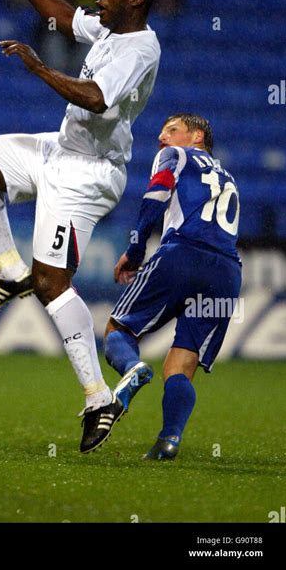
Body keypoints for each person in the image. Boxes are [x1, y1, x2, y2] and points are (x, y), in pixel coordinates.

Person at [0, 0, 161, 453]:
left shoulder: (141, 48)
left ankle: (97, 398)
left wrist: (39, 68)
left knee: (52, 282)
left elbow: (96, 97)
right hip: (59, 149)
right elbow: (66, 17)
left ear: (137, 0)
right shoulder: (111, 29)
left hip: (89, 174)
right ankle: (7, 267)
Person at [95, 114, 241, 459]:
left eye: (171, 130)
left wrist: (135, 249)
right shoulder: (228, 176)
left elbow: (155, 197)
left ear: (197, 135)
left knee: (119, 329)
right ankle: (168, 440)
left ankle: (132, 368)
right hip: (227, 271)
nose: (162, 136)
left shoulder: (178, 155)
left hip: (183, 254)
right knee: (181, 364)